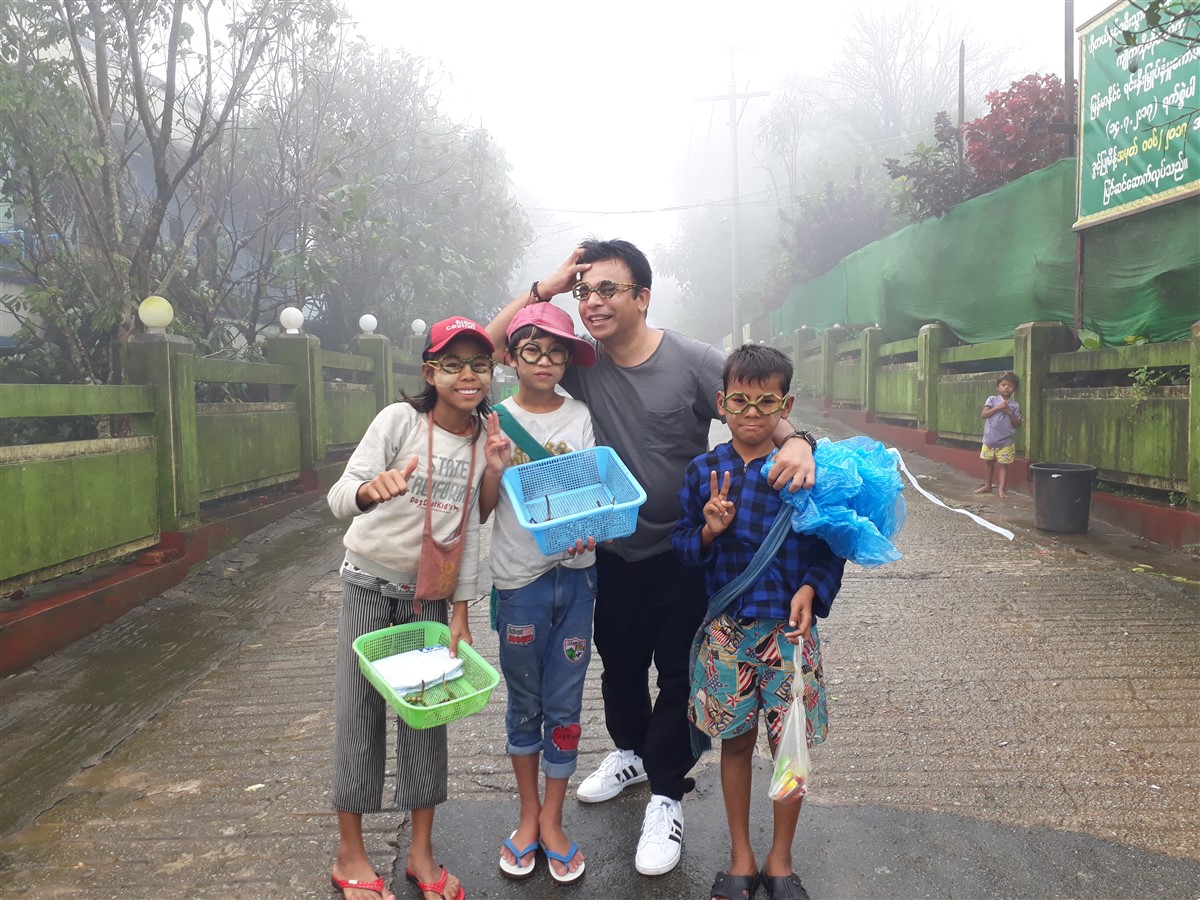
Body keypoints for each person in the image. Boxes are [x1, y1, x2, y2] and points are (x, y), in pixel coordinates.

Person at [485, 240, 817, 876]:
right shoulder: (579, 364)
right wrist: (546, 288)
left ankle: (666, 791)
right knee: (619, 664)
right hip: (607, 548)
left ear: (642, 296)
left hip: (688, 549)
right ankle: (631, 751)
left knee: (679, 672)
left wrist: (798, 440)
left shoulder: (692, 360)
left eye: (607, 290)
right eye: (586, 293)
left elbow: (757, 393)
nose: (592, 303)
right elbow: (489, 347)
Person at [326, 316, 509, 900]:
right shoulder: (398, 421)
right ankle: (350, 853)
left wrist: (462, 610)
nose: (467, 375)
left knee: (429, 720)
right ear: (430, 372)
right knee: (360, 717)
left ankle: (421, 853)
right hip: (369, 587)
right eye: (452, 364)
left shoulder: (485, 435)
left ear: (490, 373)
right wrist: (367, 492)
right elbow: (338, 498)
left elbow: (472, 528)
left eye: (478, 365)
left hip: (431, 600)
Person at [673, 344, 845, 900]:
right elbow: (682, 550)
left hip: (789, 637)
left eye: (765, 401)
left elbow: (831, 544)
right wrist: (708, 531)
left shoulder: (801, 469)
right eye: (739, 401)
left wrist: (813, 588)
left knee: (789, 747)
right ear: (721, 403)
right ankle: (741, 855)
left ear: (785, 403)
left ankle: (780, 860)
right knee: (736, 744)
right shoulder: (703, 472)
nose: (751, 413)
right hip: (726, 634)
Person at [479, 303, 598, 885]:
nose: (545, 362)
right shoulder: (492, 419)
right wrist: (496, 469)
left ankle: (553, 818)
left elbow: (595, 488)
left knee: (566, 704)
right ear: (511, 357)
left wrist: (595, 519)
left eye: (556, 352)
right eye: (532, 351)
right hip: (518, 581)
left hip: (577, 577)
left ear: (568, 360)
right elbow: (480, 510)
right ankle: (527, 814)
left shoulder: (580, 416)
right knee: (524, 702)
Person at [974, 371, 1022, 499]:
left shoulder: (1015, 406)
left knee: (1003, 465)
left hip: (1005, 442)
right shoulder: (992, 400)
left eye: (1010, 385)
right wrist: (998, 407)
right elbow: (984, 415)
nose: (1006, 387)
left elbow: (1017, 424)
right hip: (989, 440)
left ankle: (1001, 490)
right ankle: (988, 485)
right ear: (998, 387)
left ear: (1014, 389)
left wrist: (1009, 412)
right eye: (1003, 384)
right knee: (989, 463)